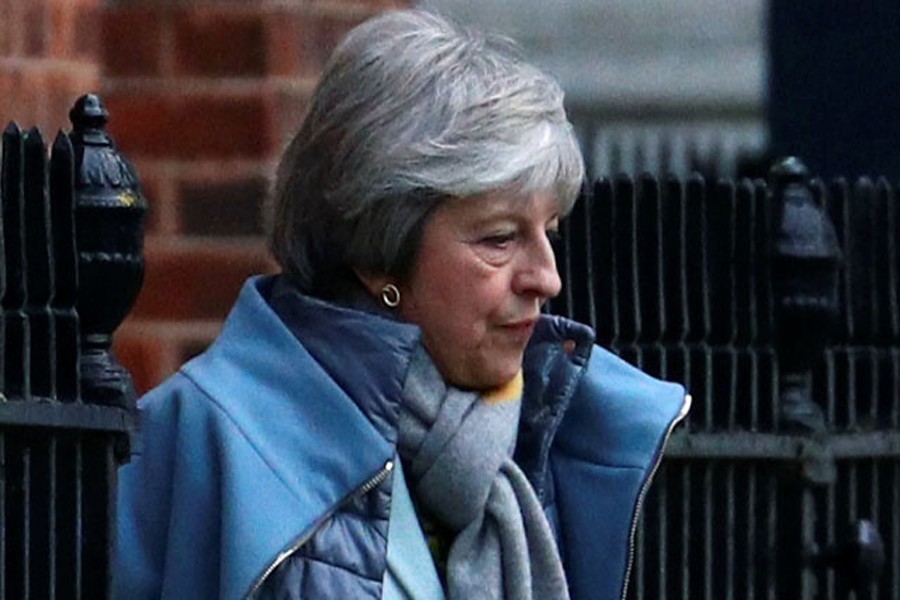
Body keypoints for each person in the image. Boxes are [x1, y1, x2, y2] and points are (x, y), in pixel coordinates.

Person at [114, 9, 689, 600]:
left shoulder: (562, 441)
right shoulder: (205, 441)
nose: (547, 278)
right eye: (499, 239)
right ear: (378, 250)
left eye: (551, 231)